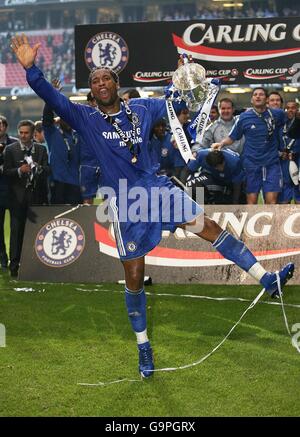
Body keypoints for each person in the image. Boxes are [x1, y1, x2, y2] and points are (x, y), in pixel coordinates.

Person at [11, 34, 294, 378]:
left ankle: (266, 280)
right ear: (92, 90)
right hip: (127, 203)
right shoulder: (86, 118)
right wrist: (30, 69)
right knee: (134, 277)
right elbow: (49, 95)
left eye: (106, 78)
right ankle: (144, 347)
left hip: (157, 190)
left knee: (209, 227)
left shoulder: (143, 108)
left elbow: (175, 102)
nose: (100, 83)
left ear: (116, 83)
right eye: (95, 80)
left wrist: (184, 77)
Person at [212, 88, 288, 205]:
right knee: (251, 203)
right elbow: (232, 137)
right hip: (251, 165)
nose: (258, 96)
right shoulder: (244, 117)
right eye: (255, 95)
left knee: (272, 203)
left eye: (261, 94)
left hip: (271, 164)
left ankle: (271, 224)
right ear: (252, 100)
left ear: (266, 99)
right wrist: (221, 143)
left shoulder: (278, 114)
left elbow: (290, 124)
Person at [3, 119, 49, 277]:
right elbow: (6, 173)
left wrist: (39, 169)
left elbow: (48, 171)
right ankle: (14, 267)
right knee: (16, 233)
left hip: (36, 198)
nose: (23, 136)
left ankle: (36, 266)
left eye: (26, 133)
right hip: (17, 199)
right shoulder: (10, 150)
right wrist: (19, 170)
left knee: (37, 233)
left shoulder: (41, 150)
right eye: (21, 133)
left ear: (32, 134)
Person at [0, 115, 18, 269]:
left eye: (0, 124)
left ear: (5, 126)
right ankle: (3, 260)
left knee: (15, 228)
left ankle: (15, 259)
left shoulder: (14, 143)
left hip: (13, 192)